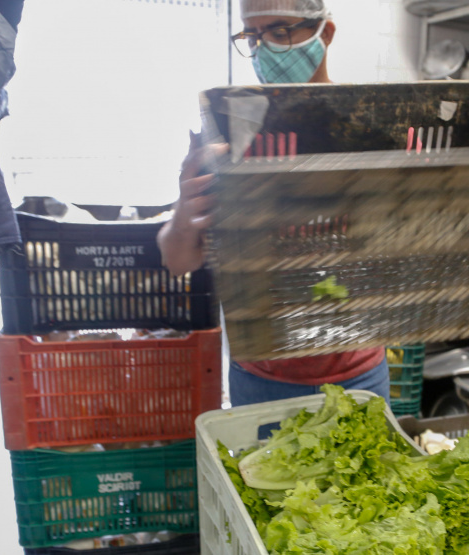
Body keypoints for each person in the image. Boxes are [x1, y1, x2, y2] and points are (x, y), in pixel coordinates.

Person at [157, 0, 389, 407]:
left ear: (326, 34)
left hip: (358, 370)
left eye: (280, 31)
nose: (266, 50)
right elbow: (178, 261)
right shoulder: (228, 135)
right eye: (254, 36)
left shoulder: (368, 129)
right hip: (261, 373)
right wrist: (184, 211)